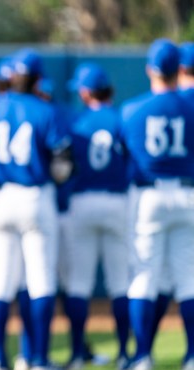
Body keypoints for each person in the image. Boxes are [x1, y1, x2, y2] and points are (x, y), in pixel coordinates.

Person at [0, 48, 70, 370]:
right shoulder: (45, 109)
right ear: (37, 78)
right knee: (40, 281)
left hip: (0, 198)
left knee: (0, 282)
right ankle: (36, 358)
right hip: (34, 196)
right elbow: (63, 163)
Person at [121, 38, 194, 370]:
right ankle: (192, 355)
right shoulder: (191, 106)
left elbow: (123, 158)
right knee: (188, 278)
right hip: (187, 193)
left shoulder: (132, 108)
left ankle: (142, 356)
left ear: (150, 69)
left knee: (145, 276)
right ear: (177, 68)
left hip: (148, 195)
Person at [61, 63, 130, 370]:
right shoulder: (120, 119)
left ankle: (77, 354)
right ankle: (128, 354)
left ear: (86, 92)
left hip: (83, 202)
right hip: (117, 201)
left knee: (79, 283)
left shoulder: (76, 122)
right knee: (120, 282)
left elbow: (62, 168)